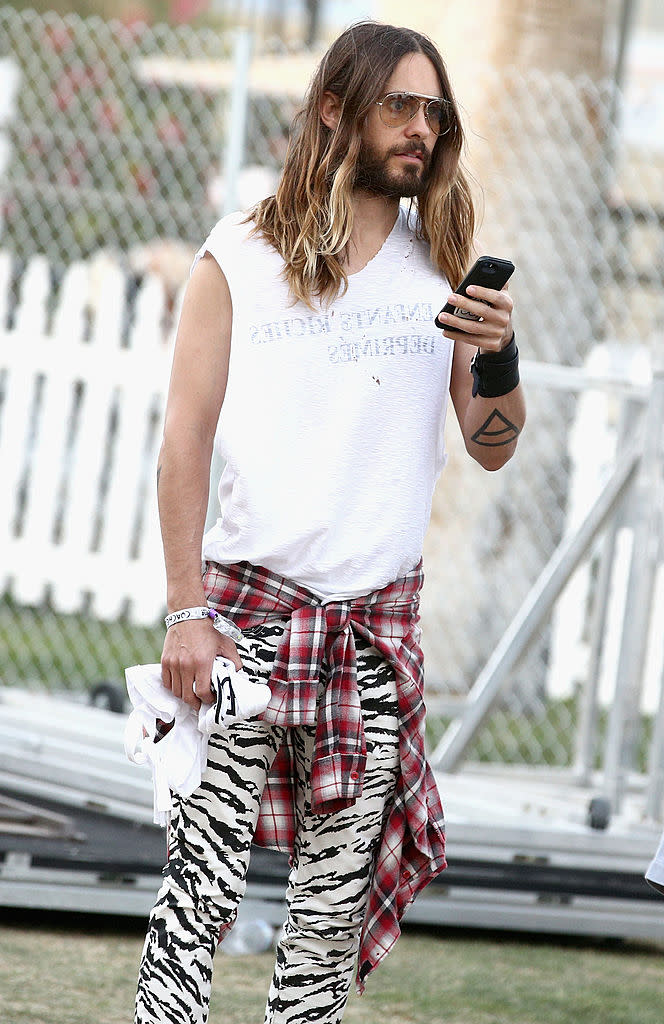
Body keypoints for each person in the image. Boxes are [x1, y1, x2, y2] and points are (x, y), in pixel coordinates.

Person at [134, 20, 526, 1024]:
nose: (422, 129)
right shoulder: (239, 255)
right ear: (333, 109)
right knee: (195, 905)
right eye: (401, 104)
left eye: (435, 112)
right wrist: (186, 614)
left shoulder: (441, 268)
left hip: (372, 643)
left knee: (320, 938)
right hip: (243, 630)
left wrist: (499, 357)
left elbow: (490, 441)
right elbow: (183, 442)